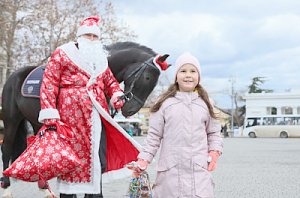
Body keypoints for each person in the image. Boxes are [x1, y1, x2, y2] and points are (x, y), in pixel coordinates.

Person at [38, 16, 136, 198]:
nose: (91, 39)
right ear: (79, 37)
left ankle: (95, 194)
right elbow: (49, 83)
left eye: (94, 36)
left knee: (97, 158)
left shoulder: (101, 60)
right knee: (71, 159)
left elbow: (111, 83)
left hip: (97, 117)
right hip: (69, 118)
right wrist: (50, 114)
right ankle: (68, 195)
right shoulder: (62, 53)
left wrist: (116, 97)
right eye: (87, 35)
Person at [132, 52, 223, 197]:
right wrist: (144, 159)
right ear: (176, 76)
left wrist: (214, 152)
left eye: (193, 71)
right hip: (170, 173)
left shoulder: (206, 104)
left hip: (198, 173)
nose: (188, 75)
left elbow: (213, 133)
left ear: (198, 76)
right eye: (183, 71)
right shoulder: (164, 104)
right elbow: (154, 136)